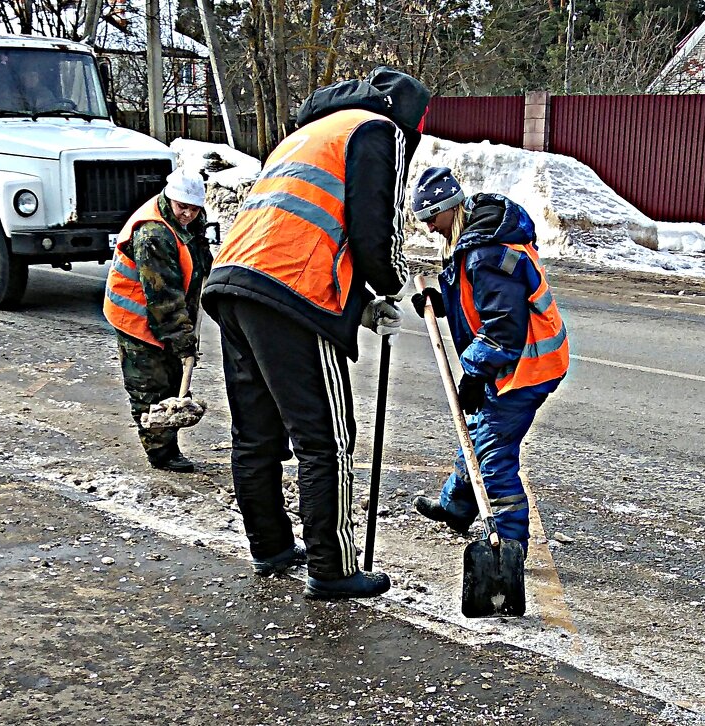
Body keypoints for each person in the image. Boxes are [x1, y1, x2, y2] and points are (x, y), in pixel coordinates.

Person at [201, 67, 430, 599]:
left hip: (234, 284)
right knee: (327, 440)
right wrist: (390, 285)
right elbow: (376, 231)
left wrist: (360, 308)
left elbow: (309, 226)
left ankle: (271, 546)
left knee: (257, 435)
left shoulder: (308, 135)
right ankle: (332, 568)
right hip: (292, 295)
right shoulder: (380, 131)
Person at [408, 167, 570, 562]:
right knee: (476, 431)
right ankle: (457, 506)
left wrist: (475, 372)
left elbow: (504, 327)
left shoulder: (487, 252)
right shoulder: (477, 238)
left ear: (449, 209)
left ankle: (509, 549)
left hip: (526, 369)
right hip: (509, 364)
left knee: (494, 457)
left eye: (431, 218)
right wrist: (443, 304)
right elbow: (480, 304)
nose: (429, 228)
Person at [104, 169, 213, 473]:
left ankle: (166, 443)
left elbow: (196, 259)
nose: (189, 214)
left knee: (171, 379)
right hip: (136, 318)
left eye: (194, 209)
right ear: (170, 198)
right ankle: (161, 454)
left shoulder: (187, 221)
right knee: (149, 387)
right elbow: (163, 298)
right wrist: (183, 342)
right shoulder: (153, 235)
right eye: (183, 208)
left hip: (164, 314)